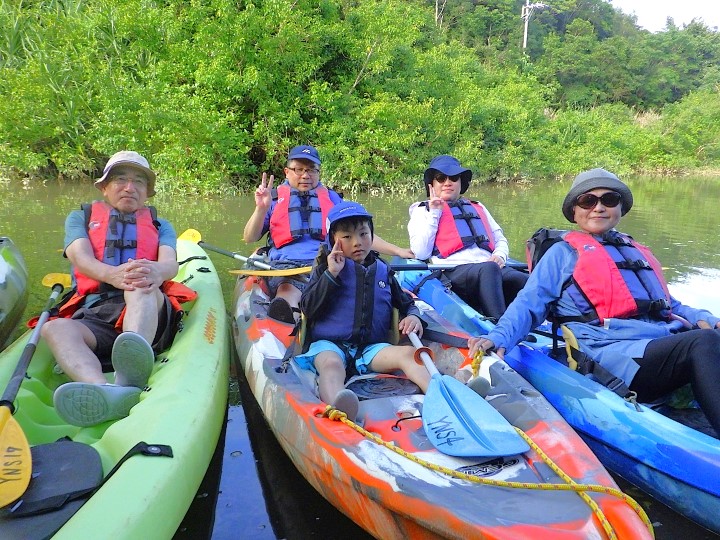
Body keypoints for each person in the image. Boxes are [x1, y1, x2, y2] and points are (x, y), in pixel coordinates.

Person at [469, 168, 720, 436]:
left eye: (609, 200)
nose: (598, 208)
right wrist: (498, 338)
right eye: (588, 201)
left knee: (708, 336)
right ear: (575, 212)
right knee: (703, 343)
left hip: (659, 343)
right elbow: (529, 304)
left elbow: (672, 305)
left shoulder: (634, 250)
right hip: (615, 355)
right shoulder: (562, 254)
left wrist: (711, 319)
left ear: (620, 208)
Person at [42, 151, 193, 427]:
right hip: (97, 313)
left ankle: (128, 377)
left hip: (146, 309)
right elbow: (80, 256)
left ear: (147, 192)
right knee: (54, 328)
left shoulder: (160, 225)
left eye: (138, 182)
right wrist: (112, 275)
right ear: (104, 187)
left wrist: (154, 272)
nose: (129, 187)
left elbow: (169, 264)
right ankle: (103, 389)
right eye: (120, 179)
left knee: (138, 285)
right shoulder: (80, 218)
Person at [243, 145, 414, 324]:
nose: (305, 175)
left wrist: (398, 251)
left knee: (343, 289)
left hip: (328, 264)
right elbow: (250, 237)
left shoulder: (333, 200)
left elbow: (359, 236)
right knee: (288, 291)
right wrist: (261, 209)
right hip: (287, 269)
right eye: (299, 169)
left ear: (318, 172)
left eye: (311, 170)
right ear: (287, 172)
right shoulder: (273, 199)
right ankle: (291, 323)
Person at [296, 201, 430, 421]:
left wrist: (413, 315)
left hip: (370, 349)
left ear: (371, 235)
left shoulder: (383, 270)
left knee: (408, 354)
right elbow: (307, 308)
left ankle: (440, 394)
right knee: (331, 366)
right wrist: (332, 274)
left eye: (363, 234)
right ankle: (339, 410)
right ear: (334, 240)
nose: (357, 242)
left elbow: (406, 303)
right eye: (347, 237)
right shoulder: (324, 267)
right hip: (330, 345)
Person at [408, 155, 528, 319]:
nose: (447, 182)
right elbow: (421, 253)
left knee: (524, 279)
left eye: (454, 178)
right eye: (441, 178)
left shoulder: (477, 206)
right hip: (454, 272)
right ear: (432, 185)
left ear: (460, 183)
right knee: (489, 269)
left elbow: (500, 239)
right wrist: (435, 212)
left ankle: (546, 322)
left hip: (490, 269)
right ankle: (500, 327)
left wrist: (500, 255)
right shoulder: (422, 211)